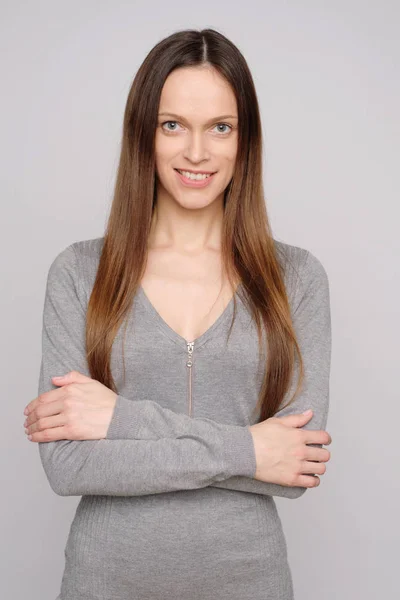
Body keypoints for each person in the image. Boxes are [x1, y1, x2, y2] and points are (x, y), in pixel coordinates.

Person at [23, 28, 332, 600]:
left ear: (245, 140)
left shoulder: (297, 278)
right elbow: (68, 467)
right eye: (173, 125)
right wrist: (251, 450)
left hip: (250, 580)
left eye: (221, 127)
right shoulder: (78, 272)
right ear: (144, 134)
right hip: (105, 582)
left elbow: (297, 466)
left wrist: (117, 421)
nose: (197, 152)